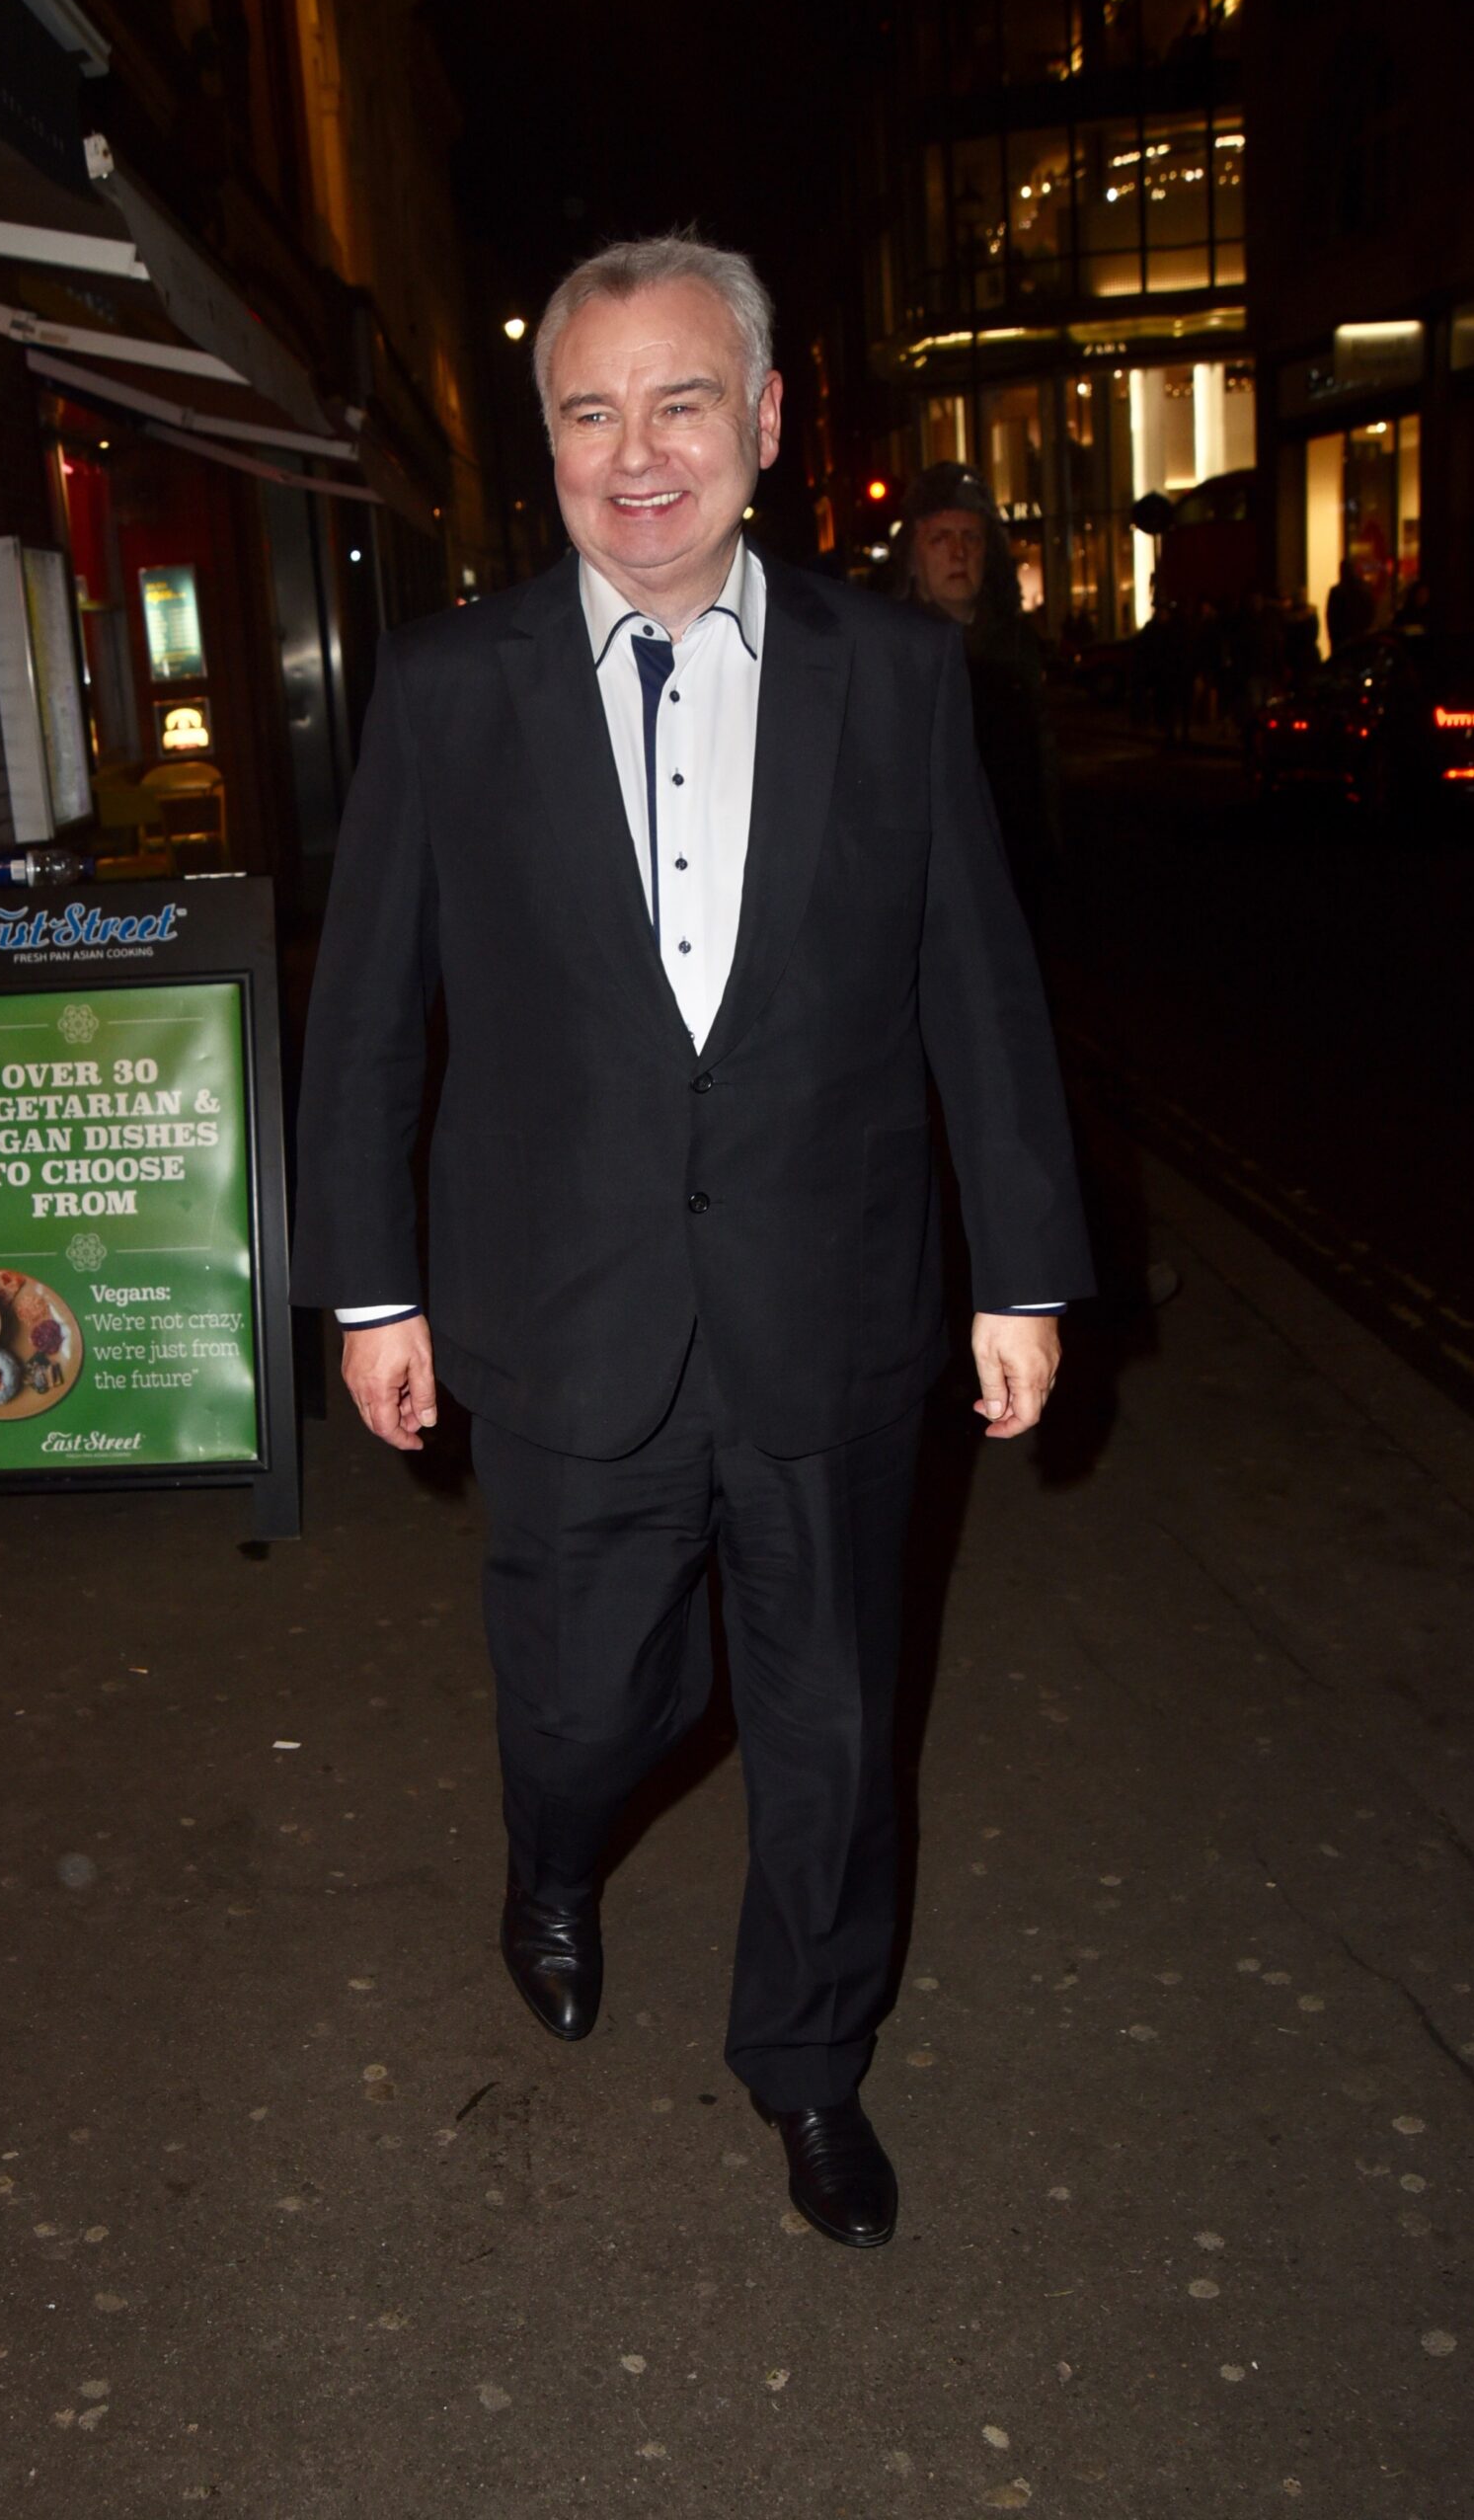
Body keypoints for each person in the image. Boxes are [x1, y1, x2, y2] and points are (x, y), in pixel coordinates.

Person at [293, 235, 1092, 2251]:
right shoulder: (453, 688)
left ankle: (811, 2061)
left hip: (832, 1309)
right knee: (582, 1699)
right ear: (543, 442)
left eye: (677, 403)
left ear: (760, 419)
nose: (636, 454)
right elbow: (370, 1010)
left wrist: (1024, 1267)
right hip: (558, 1321)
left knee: (830, 1717)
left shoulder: (892, 675)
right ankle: (550, 1848)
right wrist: (369, 1289)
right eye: (588, 411)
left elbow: (976, 991)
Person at [898, 462, 1058, 919]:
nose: (958, 553)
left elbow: (1041, 772)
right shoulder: (888, 655)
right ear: (913, 555)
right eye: (940, 538)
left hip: (1011, 881)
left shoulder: (1017, 650)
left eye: (971, 538)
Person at [1325, 556, 1374, 655]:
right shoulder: (1365, 589)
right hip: (1361, 640)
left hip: (1341, 641)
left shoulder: (1337, 592)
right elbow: (1371, 613)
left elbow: (1331, 618)